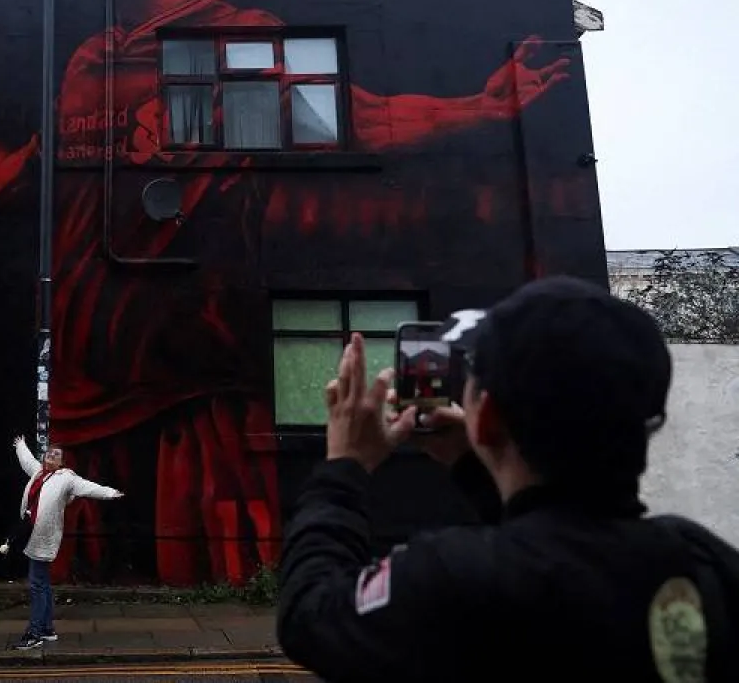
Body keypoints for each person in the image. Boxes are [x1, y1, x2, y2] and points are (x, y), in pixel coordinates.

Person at [0, 0, 570, 585]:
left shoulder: (240, 40)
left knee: (210, 565)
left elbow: (359, 113)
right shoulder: (90, 57)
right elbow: (34, 166)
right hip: (83, 387)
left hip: (192, 382)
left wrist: (482, 103)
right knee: (71, 571)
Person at [277, 276, 738, 683]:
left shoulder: (450, 576)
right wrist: (476, 461)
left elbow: (310, 615)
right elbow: (559, 543)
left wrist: (343, 466)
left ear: (487, 417)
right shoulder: (706, 565)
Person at [8, 436, 123, 650]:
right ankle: (47, 629)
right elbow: (27, 460)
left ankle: (35, 633)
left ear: (62, 462)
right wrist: (20, 445)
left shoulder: (66, 478)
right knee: (42, 584)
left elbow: (87, 487)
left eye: (56, 455)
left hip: (44, 537)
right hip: (32, 534)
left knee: (37, 585)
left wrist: (111, 493)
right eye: (49, 453)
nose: (51, 456)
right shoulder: (38, 472)